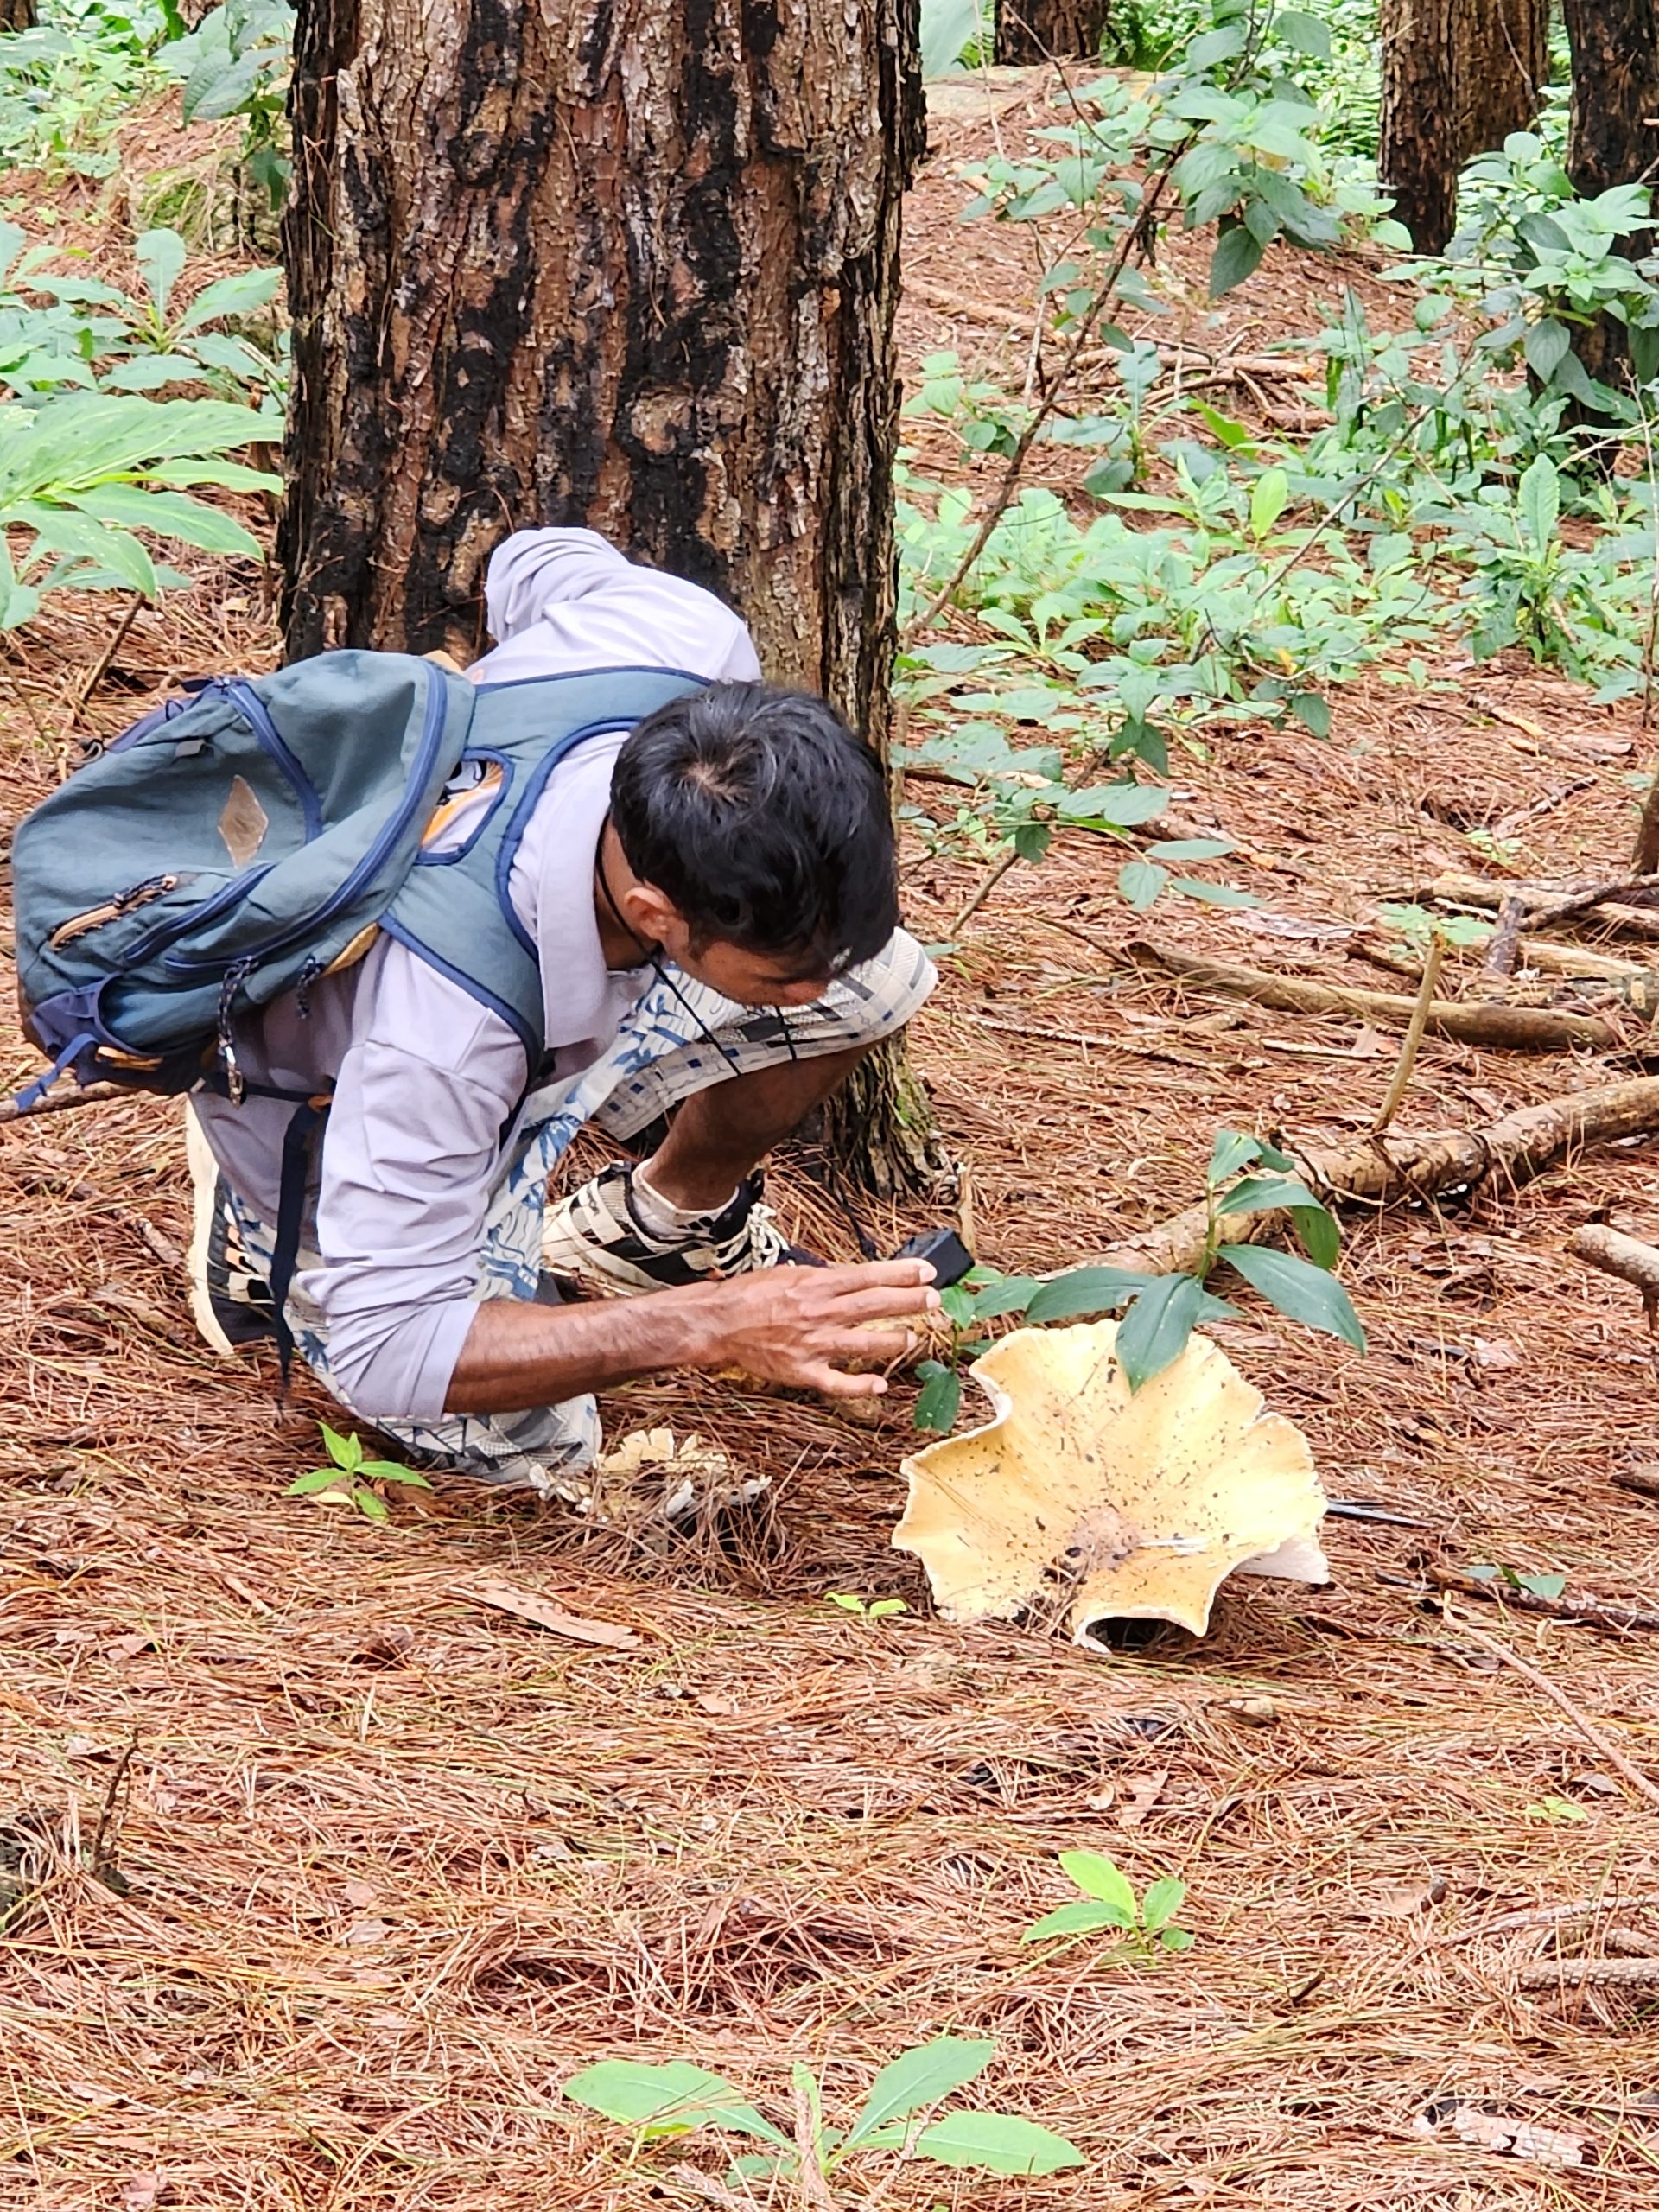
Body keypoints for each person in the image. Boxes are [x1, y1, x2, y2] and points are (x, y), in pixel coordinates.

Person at [183, 528, 941, 1497]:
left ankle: (655, 1228)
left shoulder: (683, 641)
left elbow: (535, 558)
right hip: (346, 1097)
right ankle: (277, 1237)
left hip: (559, 993)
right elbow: (390, 1349)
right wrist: (708, 1324)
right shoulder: (445, 1033)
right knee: (532, 1445)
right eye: (787, 976)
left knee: (884, 982)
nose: (817, 987)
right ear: (657, 915)